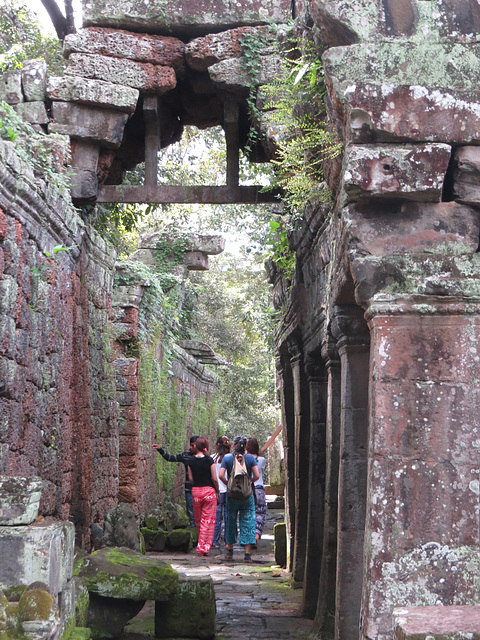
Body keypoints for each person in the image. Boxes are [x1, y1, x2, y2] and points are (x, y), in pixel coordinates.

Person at [219, 435, 259, 563]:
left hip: (232, 497)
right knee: (248, 521)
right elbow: (257, 476)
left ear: (233, 446)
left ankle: (230, 551)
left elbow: (220, 475)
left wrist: (228, 484)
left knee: (230, 521)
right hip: (247, 496)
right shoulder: (250, 458)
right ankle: (247, 554)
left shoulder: (228, 458)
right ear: (245, 446)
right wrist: (248, 483)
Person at [152, 435, 199, 528]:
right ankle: (194, 532)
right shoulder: (185, 456)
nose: (190, 447)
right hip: (189, 489)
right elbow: (170, 458)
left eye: (193, 445)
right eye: (190, 445)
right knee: (191, 510)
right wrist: (160, 450)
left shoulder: (205, 458)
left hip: (201, 489)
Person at [187, 436, 219, 556]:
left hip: (196, 492)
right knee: (208, 520)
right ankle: (203, 547)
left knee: (198, 520)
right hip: (208, 492)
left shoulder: (190, 461)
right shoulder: (209, 460)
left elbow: (190, 479)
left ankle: (202, 545)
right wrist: (217, 490)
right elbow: (214, 478)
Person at [246, 437, 267, 546]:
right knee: (260, 513)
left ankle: (248, 537)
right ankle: (256, 535)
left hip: (247, 488)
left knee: (248, 513)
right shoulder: (262, 460)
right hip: (259, 487)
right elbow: (262, 466)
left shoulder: (244, 459)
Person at [212, 436, 231, 549]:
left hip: (217, 491)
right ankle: (228, 541)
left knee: (217, 518)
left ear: (217, 445)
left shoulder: (212, 458)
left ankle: (215, 541)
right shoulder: (230, 459)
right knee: (228, 517)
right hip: (228, 490)